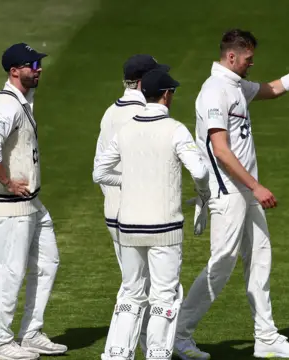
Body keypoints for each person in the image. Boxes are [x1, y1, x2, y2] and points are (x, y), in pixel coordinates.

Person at [174, 29, 289, 360]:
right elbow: (221, 150)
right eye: (248, 59)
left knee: (259, 256)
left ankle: (266, 336)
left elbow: (271, 90)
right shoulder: (215, 90)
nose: (251, 64)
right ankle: (177, 335)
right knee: (222, 263)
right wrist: (255, 186)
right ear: (232, 57)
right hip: (228, 191)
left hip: (245, 190)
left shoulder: (235, 85)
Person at [93, 69, 210, 360]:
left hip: (129, 227)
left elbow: (100, 173)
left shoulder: (126, 129)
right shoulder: (175, 129)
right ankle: (157, 354)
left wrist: (131, 181)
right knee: (164, 295)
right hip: (164, 227)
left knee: (131, 292)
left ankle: (117, 354)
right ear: (167, 95)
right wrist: (203, 194)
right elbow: (199, 170)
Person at [0, 43, 67, 360]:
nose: (39, 68)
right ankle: (0, 344)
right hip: (12, 205)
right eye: (33, 64)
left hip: (32, 203)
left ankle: (30, 333)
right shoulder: (8, 106)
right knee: (10, 271)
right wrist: (7, 181)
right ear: (15, 71)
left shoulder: (23, 101)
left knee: (48, 262)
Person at [93, 54, 170, 358]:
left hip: (115, 214)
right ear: (142, 82)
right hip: (141, 217)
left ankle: (134, 349)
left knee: (135, 286)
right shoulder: (143, 116)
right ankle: (129, 351)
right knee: (146, 290)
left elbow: (100, 169)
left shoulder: (110, 112)